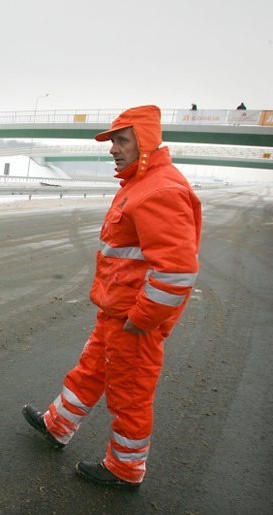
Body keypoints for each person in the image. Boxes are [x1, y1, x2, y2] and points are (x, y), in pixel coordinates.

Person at [22, 105, 202, 489]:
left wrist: (141, 319)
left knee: (130, 396)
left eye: (121, 140)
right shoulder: (140, 184)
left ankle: (125, 468)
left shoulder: (162, 190)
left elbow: (176, 271)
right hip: (116, 313)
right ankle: (58, 425)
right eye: (113, 141)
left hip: (133, 321)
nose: (113, 149)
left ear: (146, 142)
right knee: (90, 372)